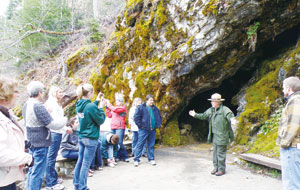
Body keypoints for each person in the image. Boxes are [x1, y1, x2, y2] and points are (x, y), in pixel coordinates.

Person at [23, 81, 67, 190]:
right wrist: (65, 120)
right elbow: (52, 124)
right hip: (40, 143)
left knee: (32, 171)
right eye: (42, 92)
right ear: (39, 92)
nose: (43, 94)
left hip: (31, 142)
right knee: (38, 173)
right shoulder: (38, 106)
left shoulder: (26, 104)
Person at [189, 93, 234, 176]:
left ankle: (221, 169)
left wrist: (233, 120)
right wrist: (195, 114)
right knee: (215, 153)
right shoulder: (211, 110)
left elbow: (230, 116)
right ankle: (216, 167)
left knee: (220, 153)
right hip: (215, 136)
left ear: (218, 102)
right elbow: (203, 116)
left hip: (223, 135)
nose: (211, 102)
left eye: (213, 101)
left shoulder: (225, 110)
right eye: (211, 101)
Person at [0, 77, 33, 190]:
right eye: (15, 91)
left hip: (7, 177)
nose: (18, 94)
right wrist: (27, 158)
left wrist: (22, 143)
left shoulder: (6, 113)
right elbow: (1, 154)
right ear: (4, 94)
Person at [73, 84, 106, 190]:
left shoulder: (79, 104)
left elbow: (88, 109)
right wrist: (101, 108)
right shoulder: (90, 106)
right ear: (90, 93)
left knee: (80, 161)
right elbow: (100, 120)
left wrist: (96, 101)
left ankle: (76, 184)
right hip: (90, 138)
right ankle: (82, 187)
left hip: (82, 136)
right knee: (86, 164)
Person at [44, 86, 72, 190]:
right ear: (54, 93)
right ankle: (51, 183)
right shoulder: (52, 104)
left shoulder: (56, 103)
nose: (62, 93)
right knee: (51, 158)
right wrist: (65, 126)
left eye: (62, 91)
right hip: (54, 132)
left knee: (52, 157)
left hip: (57, 132)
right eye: (59, 92)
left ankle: (53, 179)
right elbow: (55, 121)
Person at [276, 76, 300, 190]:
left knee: (292, 184)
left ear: (289, 89)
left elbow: (294, 124)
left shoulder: (295, 100)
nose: (283, 90)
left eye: (283, 88)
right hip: (296, 147)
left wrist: (284, 143)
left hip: (292, 148)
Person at [133, 94, 162, 167]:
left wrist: (157, 124)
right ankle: (136, 159)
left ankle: (151, 159)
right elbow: (136, 117)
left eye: (152, 100)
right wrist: (141, 126)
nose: (152, 101)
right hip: (143, 130)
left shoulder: (155, 108)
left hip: (152, 130)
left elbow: (159, 117)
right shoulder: (141, 108)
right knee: (140, 144)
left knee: (151, 145)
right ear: (146, 100)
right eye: (150, 100)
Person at [105, 95, 129, 162]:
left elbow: (115, 110)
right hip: (113, 127)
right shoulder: (114, 108)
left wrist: (109, 104)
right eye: (116, 101)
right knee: (114, 142)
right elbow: (109, 115)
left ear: (121, 102)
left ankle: (125, 156)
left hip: (120, 127)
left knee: (119, 142)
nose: (116, 102)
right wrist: (107, 108)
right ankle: (117, 156)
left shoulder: (123, 108)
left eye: (118, 101)